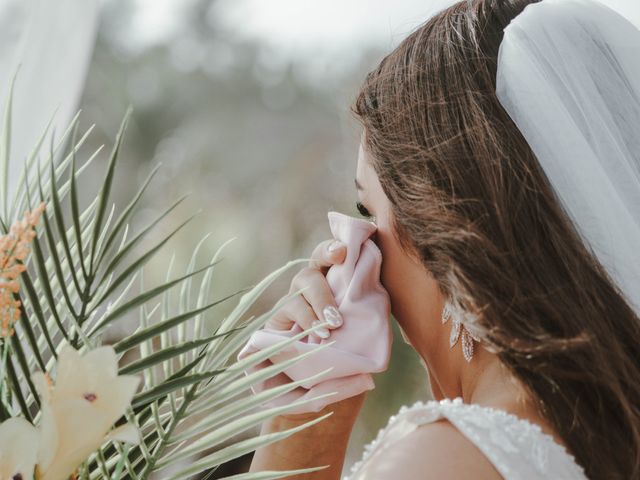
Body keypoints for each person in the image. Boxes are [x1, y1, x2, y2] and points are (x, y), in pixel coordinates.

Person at [247, 0, 640, 478]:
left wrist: (300, 430)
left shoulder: (439, 461)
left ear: (441, 223)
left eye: (367, 209)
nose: (354, 253)